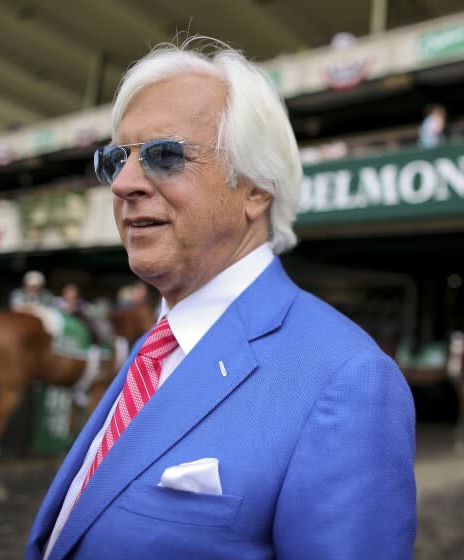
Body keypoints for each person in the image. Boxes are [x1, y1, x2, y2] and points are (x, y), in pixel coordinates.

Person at [26, 36, 416, 560]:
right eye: (115, 159)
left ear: (255, 187)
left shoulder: (349, 379)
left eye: (164, 155)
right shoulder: (155, 345)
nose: (123, 183)